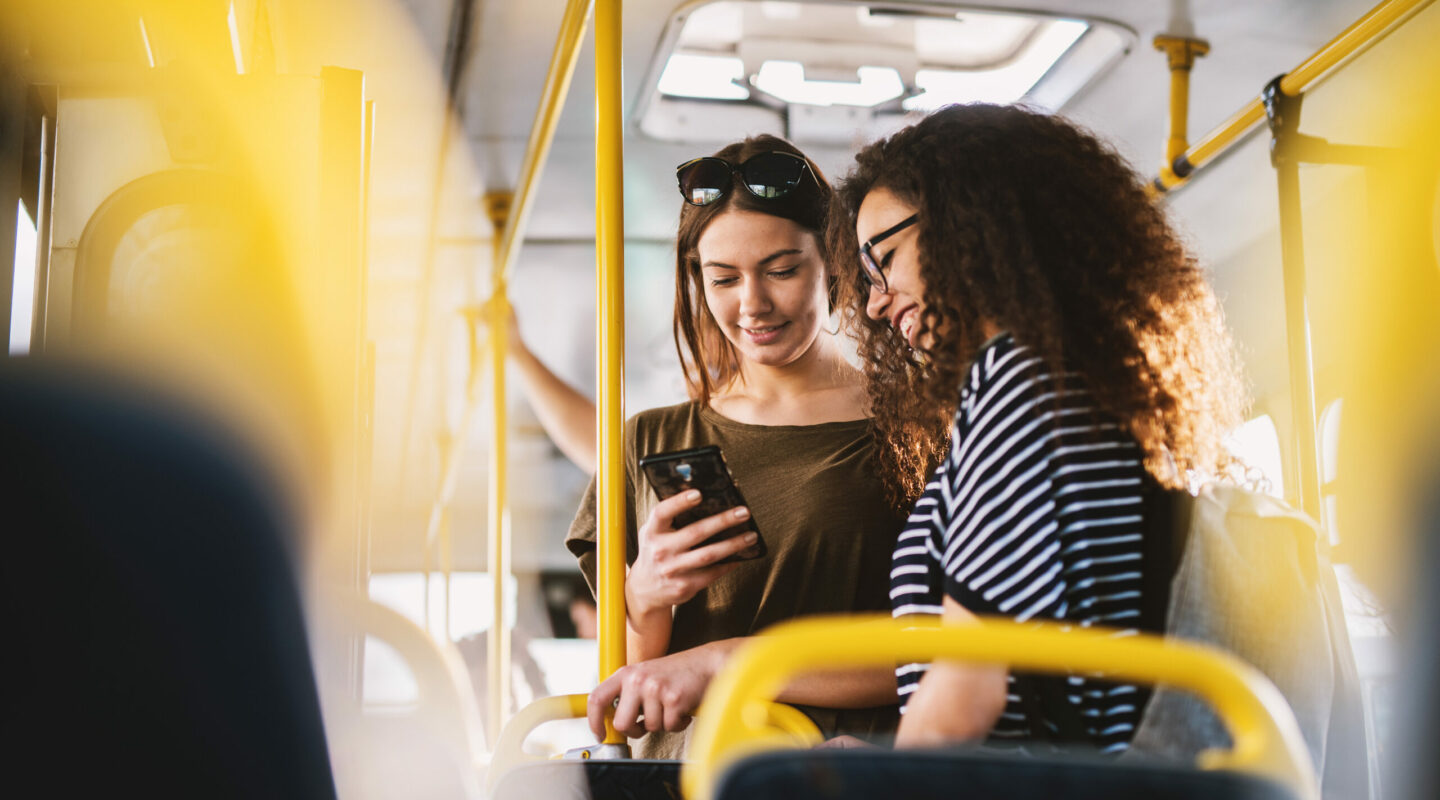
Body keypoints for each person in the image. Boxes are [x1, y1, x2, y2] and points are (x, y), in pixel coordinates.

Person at [829, 103, 1246, 754]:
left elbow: (969, 696)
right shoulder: (1096, 381)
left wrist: (887, 780)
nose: (877, 302)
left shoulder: (1014, 380)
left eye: (884, 259)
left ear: (969, 223)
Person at [565, 135, 905, 758]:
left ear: (834, 260)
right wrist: (645, 596)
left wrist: (730, 663)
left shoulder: (909, 427)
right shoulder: (651, 440)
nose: (752, 304)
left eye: (781, 270)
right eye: (723, 278)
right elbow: (628, 697)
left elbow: (940, 649)